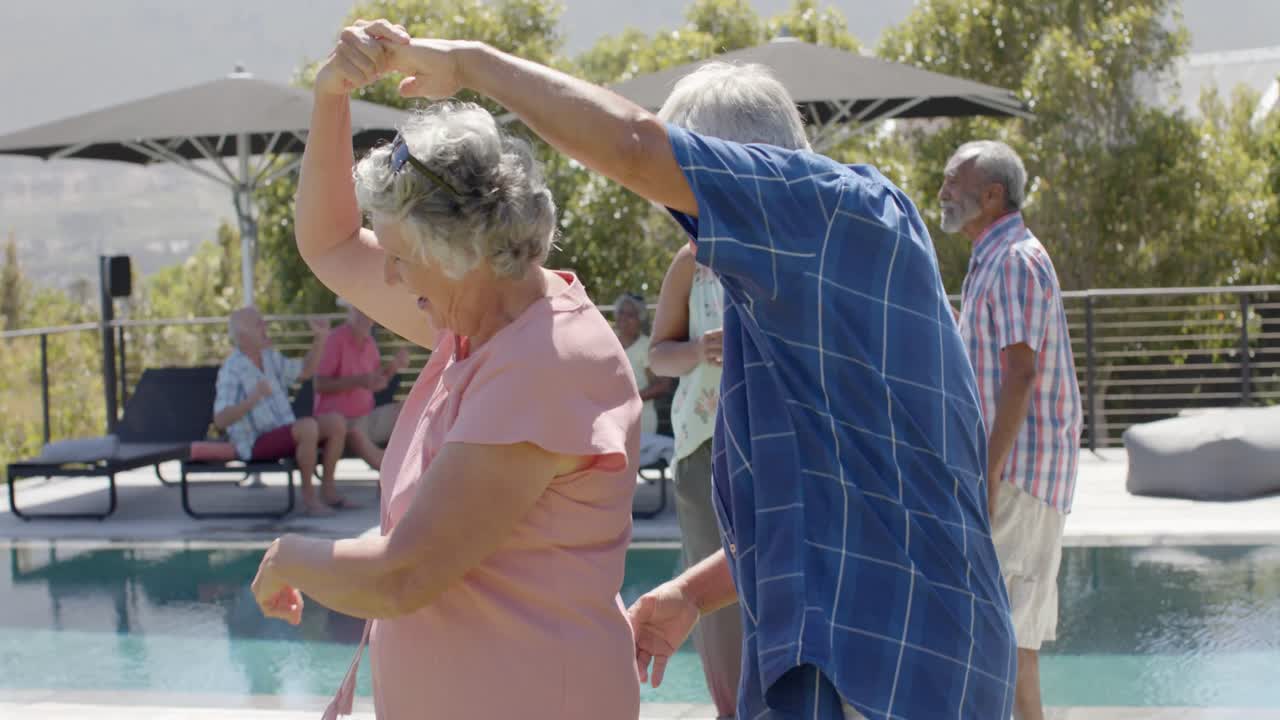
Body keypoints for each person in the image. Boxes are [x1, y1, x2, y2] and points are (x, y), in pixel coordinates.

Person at [345, 22, 1017, 719]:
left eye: (687, 202)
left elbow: (633, 146)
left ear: (737, 169)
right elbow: (826, 513)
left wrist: (469, 63)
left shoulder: (837, 216)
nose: (688, 230)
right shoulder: (787, 297)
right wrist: (693, 592)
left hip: (902, 670)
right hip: (862, 661)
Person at [249, 21, 643, 720]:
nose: (390, 276)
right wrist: (330, 95)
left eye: (401, 255)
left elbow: (405, 575)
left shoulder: (546, 364)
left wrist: (286, 556)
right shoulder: (474, 320)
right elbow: (332, 241)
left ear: (465, 249)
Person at [941, 140, 1082, 720]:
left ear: (992, 194)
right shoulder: (991, 258)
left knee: (1008, 638)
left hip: (1019, 474)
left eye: (954, 179)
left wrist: (991, 471)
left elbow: (1021, 373)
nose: (943, 190)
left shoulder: (1016, 260)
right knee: (999, 636)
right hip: (1009, 471)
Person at [648, 244, 740, 718]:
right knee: (714, 597)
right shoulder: (689, 261)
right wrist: (697, 350)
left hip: (782, 442)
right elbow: (658, 358)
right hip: (705, 442)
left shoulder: (787, 241)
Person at [214, 306, 351, 516]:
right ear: (243, 336)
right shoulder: (231, 370)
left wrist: (321, 338)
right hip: (256, 442)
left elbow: (305, 371)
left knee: (336, 423)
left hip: (285, 431)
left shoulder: (269, 357)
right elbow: (221, 420)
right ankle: (310, 500)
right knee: (308, 427)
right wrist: (252, 399)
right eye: (259, 323)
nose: (265, 326)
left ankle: (328, 491)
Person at [313, 302, 410, 470]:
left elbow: (376, 383)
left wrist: (395, 365)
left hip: (365, 418)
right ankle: (390, 470)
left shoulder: (370, 344)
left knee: (407, 410)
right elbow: (319, 384)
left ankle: (399, 466)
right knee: (355, 433)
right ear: (350, 312)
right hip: (341, 421)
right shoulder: (335, 340)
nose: (366, 317)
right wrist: (358, 381)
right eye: (360, 312)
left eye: (368, 313)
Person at [614, 293, 674, 437]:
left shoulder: (647, 347)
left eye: (631, 315)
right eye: (621, 312)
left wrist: (631, 399)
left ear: (640, 319)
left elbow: (663, 385)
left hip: (641, 421)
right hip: (611, 418)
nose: (624, 318)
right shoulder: (608, 343)